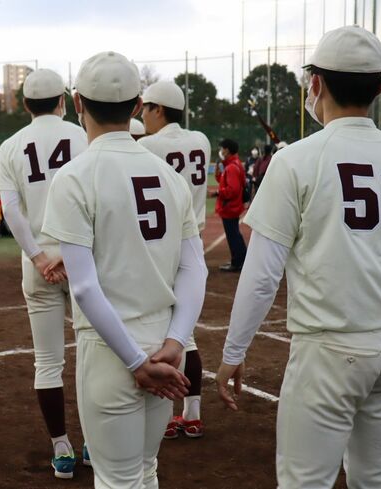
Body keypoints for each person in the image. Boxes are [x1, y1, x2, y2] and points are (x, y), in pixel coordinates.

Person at [216, 26, 381, 488]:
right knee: (377, 479)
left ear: (316, 83)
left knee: (304, 481)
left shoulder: (298, 160)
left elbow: (261, 273)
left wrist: (234, 351)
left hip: (329, 350)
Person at [42, 51, 206, 489]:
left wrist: (135, 361)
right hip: (162, 343)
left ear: (78, 103)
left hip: (111, 348)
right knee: (145, 471)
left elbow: (84, 287)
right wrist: (175, 342)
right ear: (136, 106)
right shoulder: (168, 175)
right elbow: (195, 270)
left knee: (116, 479)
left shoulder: (76, 176)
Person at [0, 68, 89, 478]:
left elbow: (11, 210)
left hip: (39, 264)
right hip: (83, 257)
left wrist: (37, 257)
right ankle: (95, 445)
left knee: (47, 363)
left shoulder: (12, 145)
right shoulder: (84, 138)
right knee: (95, 354)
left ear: (26, 105)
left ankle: (61, 448)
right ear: (63, 101)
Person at [138, 80, 211, 439]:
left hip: (163, 241)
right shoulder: (202, 140)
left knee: (166, 332)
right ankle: (192, 413)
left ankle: (169, 413)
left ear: (159, 109)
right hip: (193, 237)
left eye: (146, 108)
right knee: (188, 332)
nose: (143, 115)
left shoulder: (149, 144)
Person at [211, 139, 246, 272]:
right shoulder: (233, 165)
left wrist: (216, 193)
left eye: (222, 148)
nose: (221, 151)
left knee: (233, 236)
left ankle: (237, 262)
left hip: (230, 207)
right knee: (235, 234)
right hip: (233, 206)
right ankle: (239, 260)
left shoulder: (231, 167)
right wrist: (218, 173)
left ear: (227, 150)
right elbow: (224, 182)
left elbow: (232, 189)